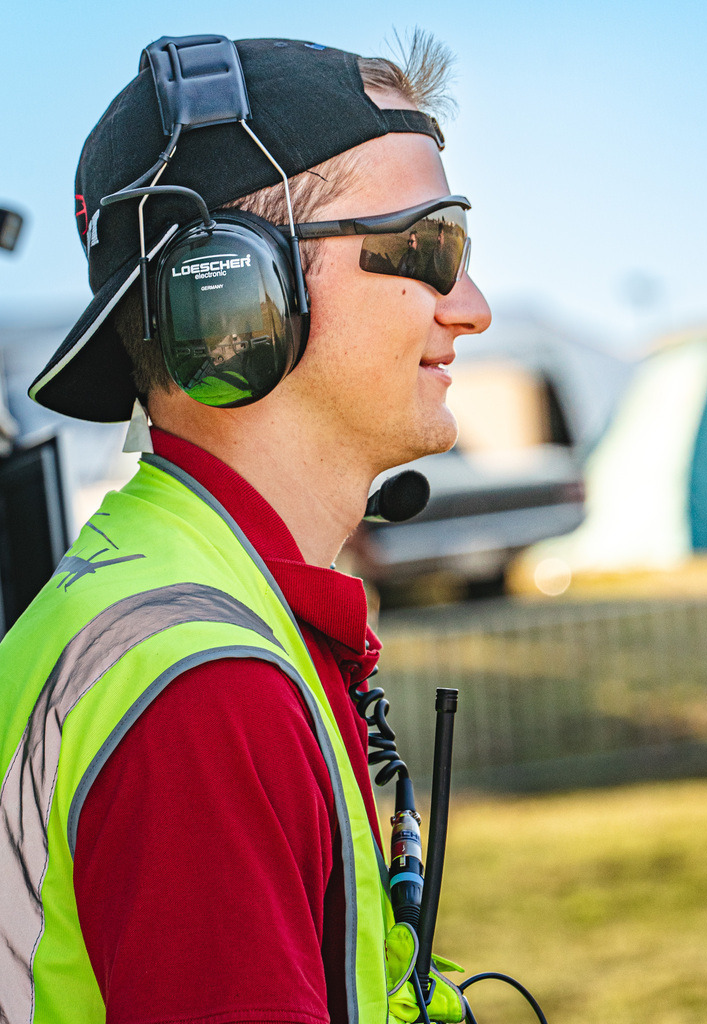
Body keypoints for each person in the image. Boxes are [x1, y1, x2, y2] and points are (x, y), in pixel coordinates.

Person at [0, 31, 490, 1024]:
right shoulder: (206, 688)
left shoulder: (204, 606)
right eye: (429, 247)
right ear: (237, 293)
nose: (471, 308)